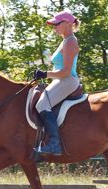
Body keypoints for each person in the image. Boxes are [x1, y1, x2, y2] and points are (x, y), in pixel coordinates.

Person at [33, 10, 81, 156]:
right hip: (61, 80)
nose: (54, 28)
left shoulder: (70, 41)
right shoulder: (66, 40)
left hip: (67, 80)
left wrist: (45, 74)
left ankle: (54, 144)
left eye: (57, 24)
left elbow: (66, 71)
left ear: (67, 24)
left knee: (42, 104)